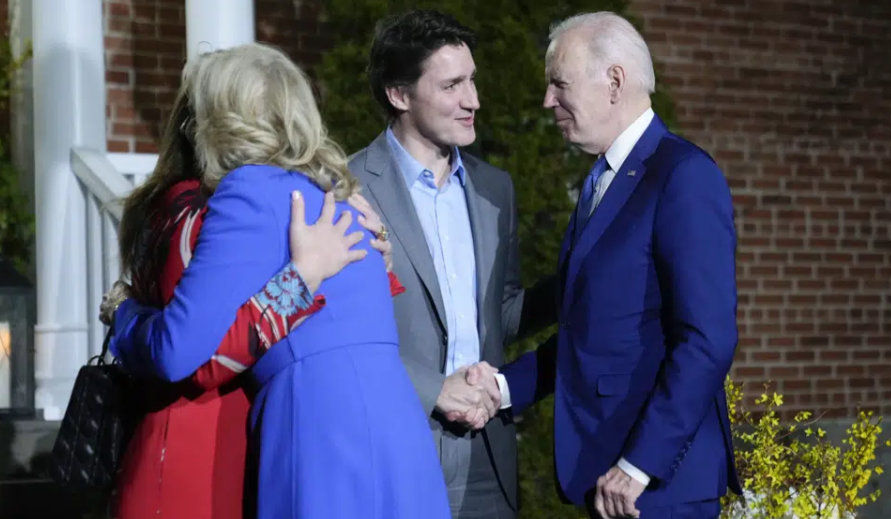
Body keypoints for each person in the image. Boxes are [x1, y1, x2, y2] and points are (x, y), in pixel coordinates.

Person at [105, 42, 451, 519]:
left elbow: (178, 352)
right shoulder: (341, 197)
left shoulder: (247, 190)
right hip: (399, 428)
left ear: (218, 119)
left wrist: (124, 314)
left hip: (319, 423)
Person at [467, 12, 742, 519]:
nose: (548, 100)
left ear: (614, 81)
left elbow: (709, 339)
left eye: (559, 83)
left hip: (658, 487)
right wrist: (502, 389)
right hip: (605, 476)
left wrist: (640, 465)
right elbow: (591, 333)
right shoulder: (602, 179)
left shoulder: (683, 176)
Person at [346, 9, 556, 519]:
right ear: (399, 95)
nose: (473, 100)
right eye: (452, 85)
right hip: (393, 449)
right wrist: (432, 389)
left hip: (488, 454)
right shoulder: (347, 187)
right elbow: (336, 334)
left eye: (472, 80)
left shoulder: (495, 189)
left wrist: (577, 280)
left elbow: (501, 314)